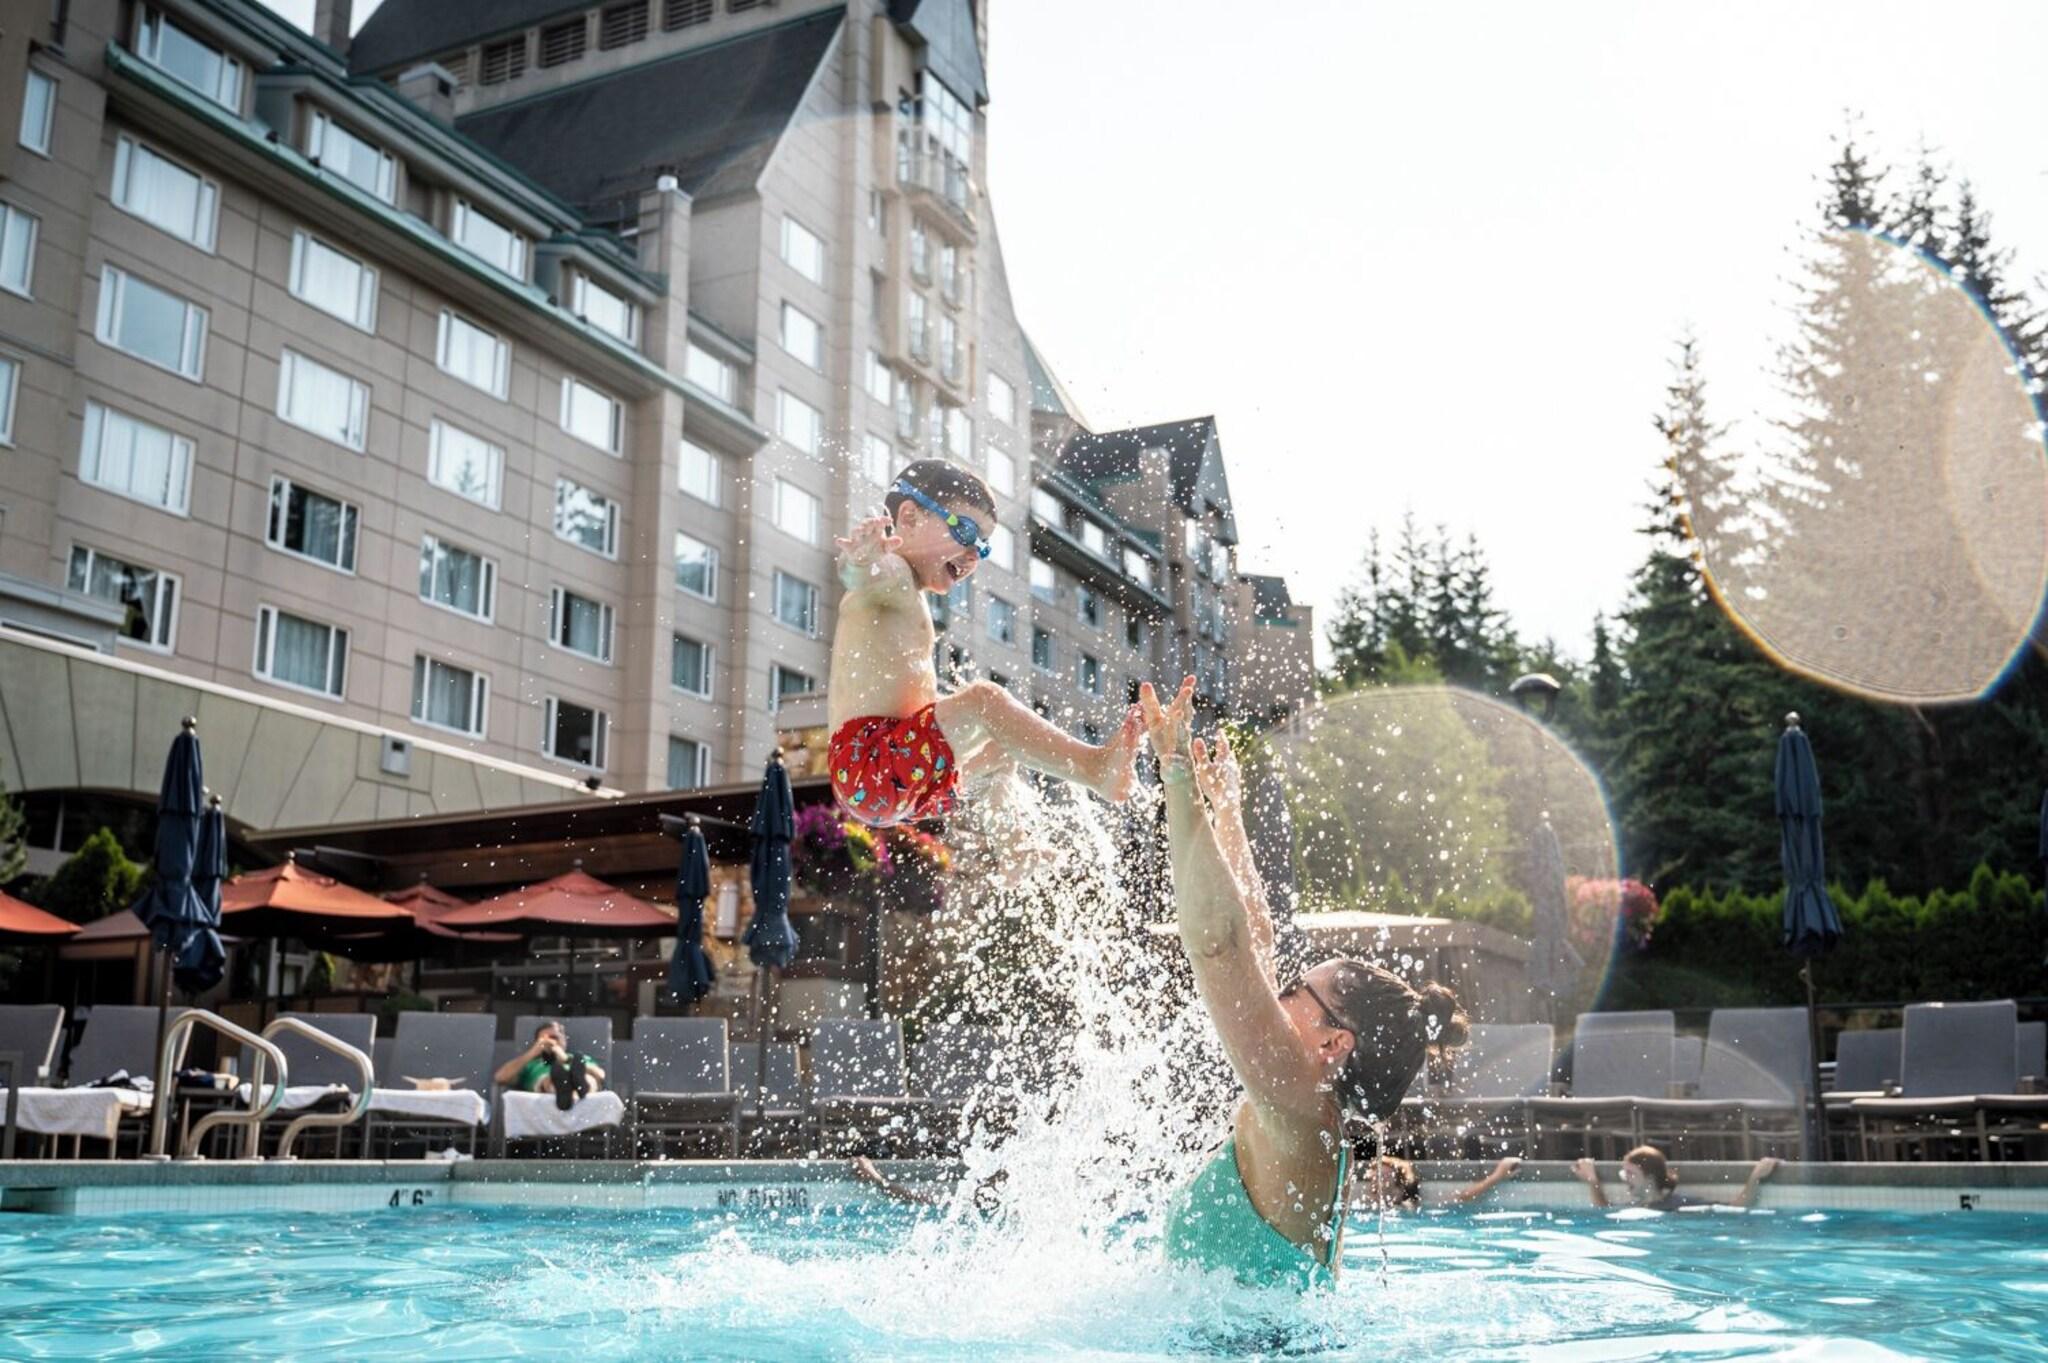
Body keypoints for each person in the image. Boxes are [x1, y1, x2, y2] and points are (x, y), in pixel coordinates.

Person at [1142, 677, 1470, 1288]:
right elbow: (1256, 938)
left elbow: (1221, 947)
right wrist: (1228, 813)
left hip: (1248, 1340)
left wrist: (1178, 778)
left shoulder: (1297, 1106)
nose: (1278, 992)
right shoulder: (1306, 1112)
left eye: (1296, 990)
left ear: (1334, 1042)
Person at [828, 460, 1141, 828]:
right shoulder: (894, 573)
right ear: (909, 518)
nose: (973, 554)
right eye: (965, 531)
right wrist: (861, 559)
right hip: (868, 759)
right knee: (984, 700)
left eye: (983, 547)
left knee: (1000, 750)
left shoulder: (910, 593)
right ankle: (1093, 767)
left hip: (891, 771)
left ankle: (1018, 848)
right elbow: (861, 577)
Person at [1573, 1146, 1780, 1211]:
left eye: (1631, 1174)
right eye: (1624, 1174)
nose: (1625, 1180)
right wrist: (1592, 1180)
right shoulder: (1634, 1206)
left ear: (1650, 1178)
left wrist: (1755, 1177)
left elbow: (1736, 1207)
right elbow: (1602, 1210)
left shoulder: (1679, 1204)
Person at [493, 1021, 606, 1111]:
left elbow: (601, 1075)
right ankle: (565, 1088)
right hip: (547, 1088)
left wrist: (566, 1060)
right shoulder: (531, 1063)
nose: (550, 1042)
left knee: (588, 1077)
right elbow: (500, 1077)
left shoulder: (577, 1058)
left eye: (554, 1037)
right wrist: (532, 1052)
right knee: (548, 1079)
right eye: (544, 1039)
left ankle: (575, 1088)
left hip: (578, 1077)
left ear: (564, 1040)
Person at [1359, 1154, 1523, 1212]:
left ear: (1398, 1184)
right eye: (1374, 1177)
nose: (1376, 1181)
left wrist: (1497, 1176)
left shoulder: (1411, 1205)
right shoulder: (1363, 1205)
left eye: (1383, 1177)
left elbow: (1461, 1197)